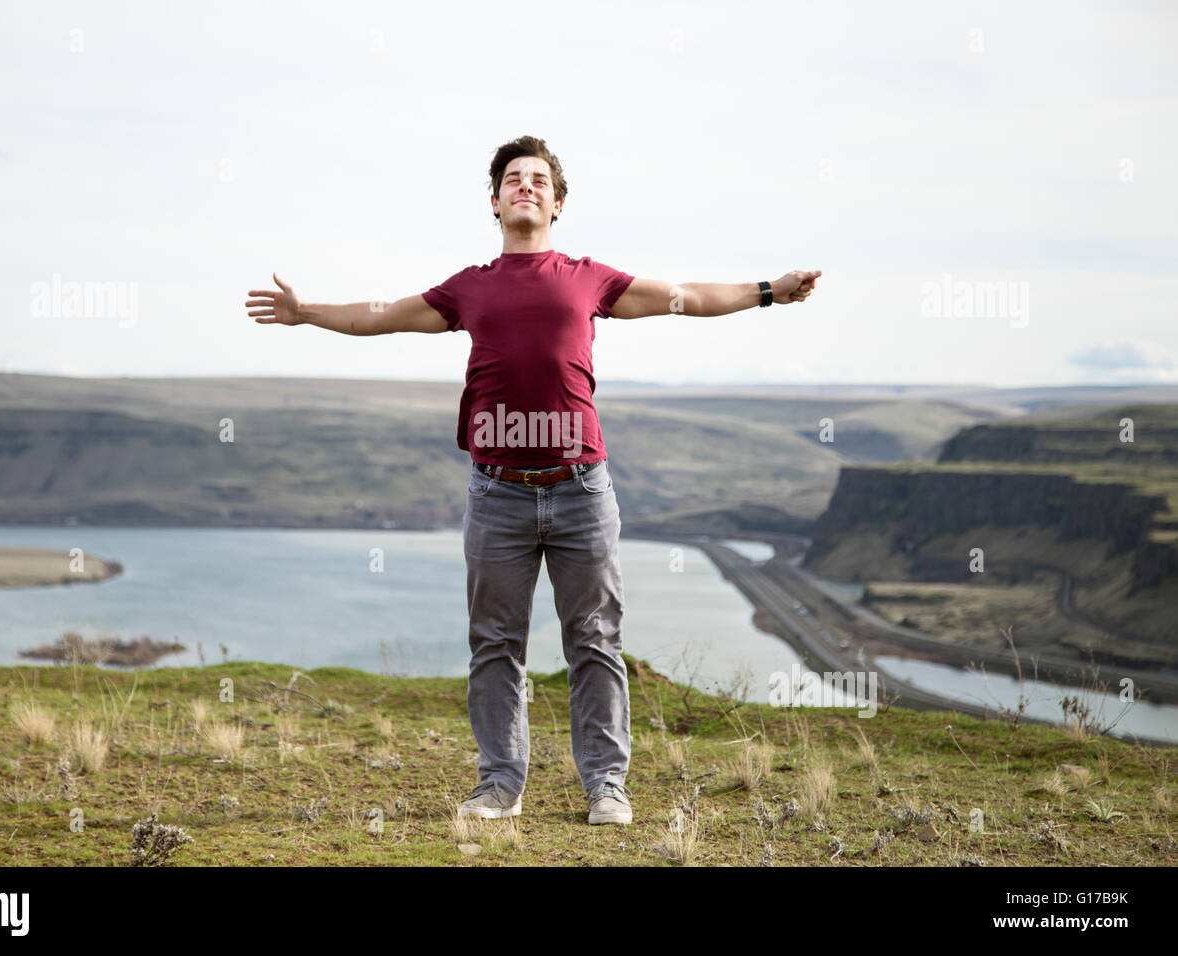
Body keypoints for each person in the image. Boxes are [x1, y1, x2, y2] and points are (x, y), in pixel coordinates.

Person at [246, 135, 820, 826]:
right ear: (493, 202)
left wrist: (767, 292)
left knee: (595, 642)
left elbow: (687, 296)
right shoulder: (469, 287)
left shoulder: (588, 278)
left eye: (539, 179)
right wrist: (306, 312)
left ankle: (607, 786)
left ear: (558, 201)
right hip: (497, 495)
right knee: (495, 644)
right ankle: (499, 785)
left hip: (582, 491)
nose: (526, 186)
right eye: (512, 179)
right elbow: (381, 317)